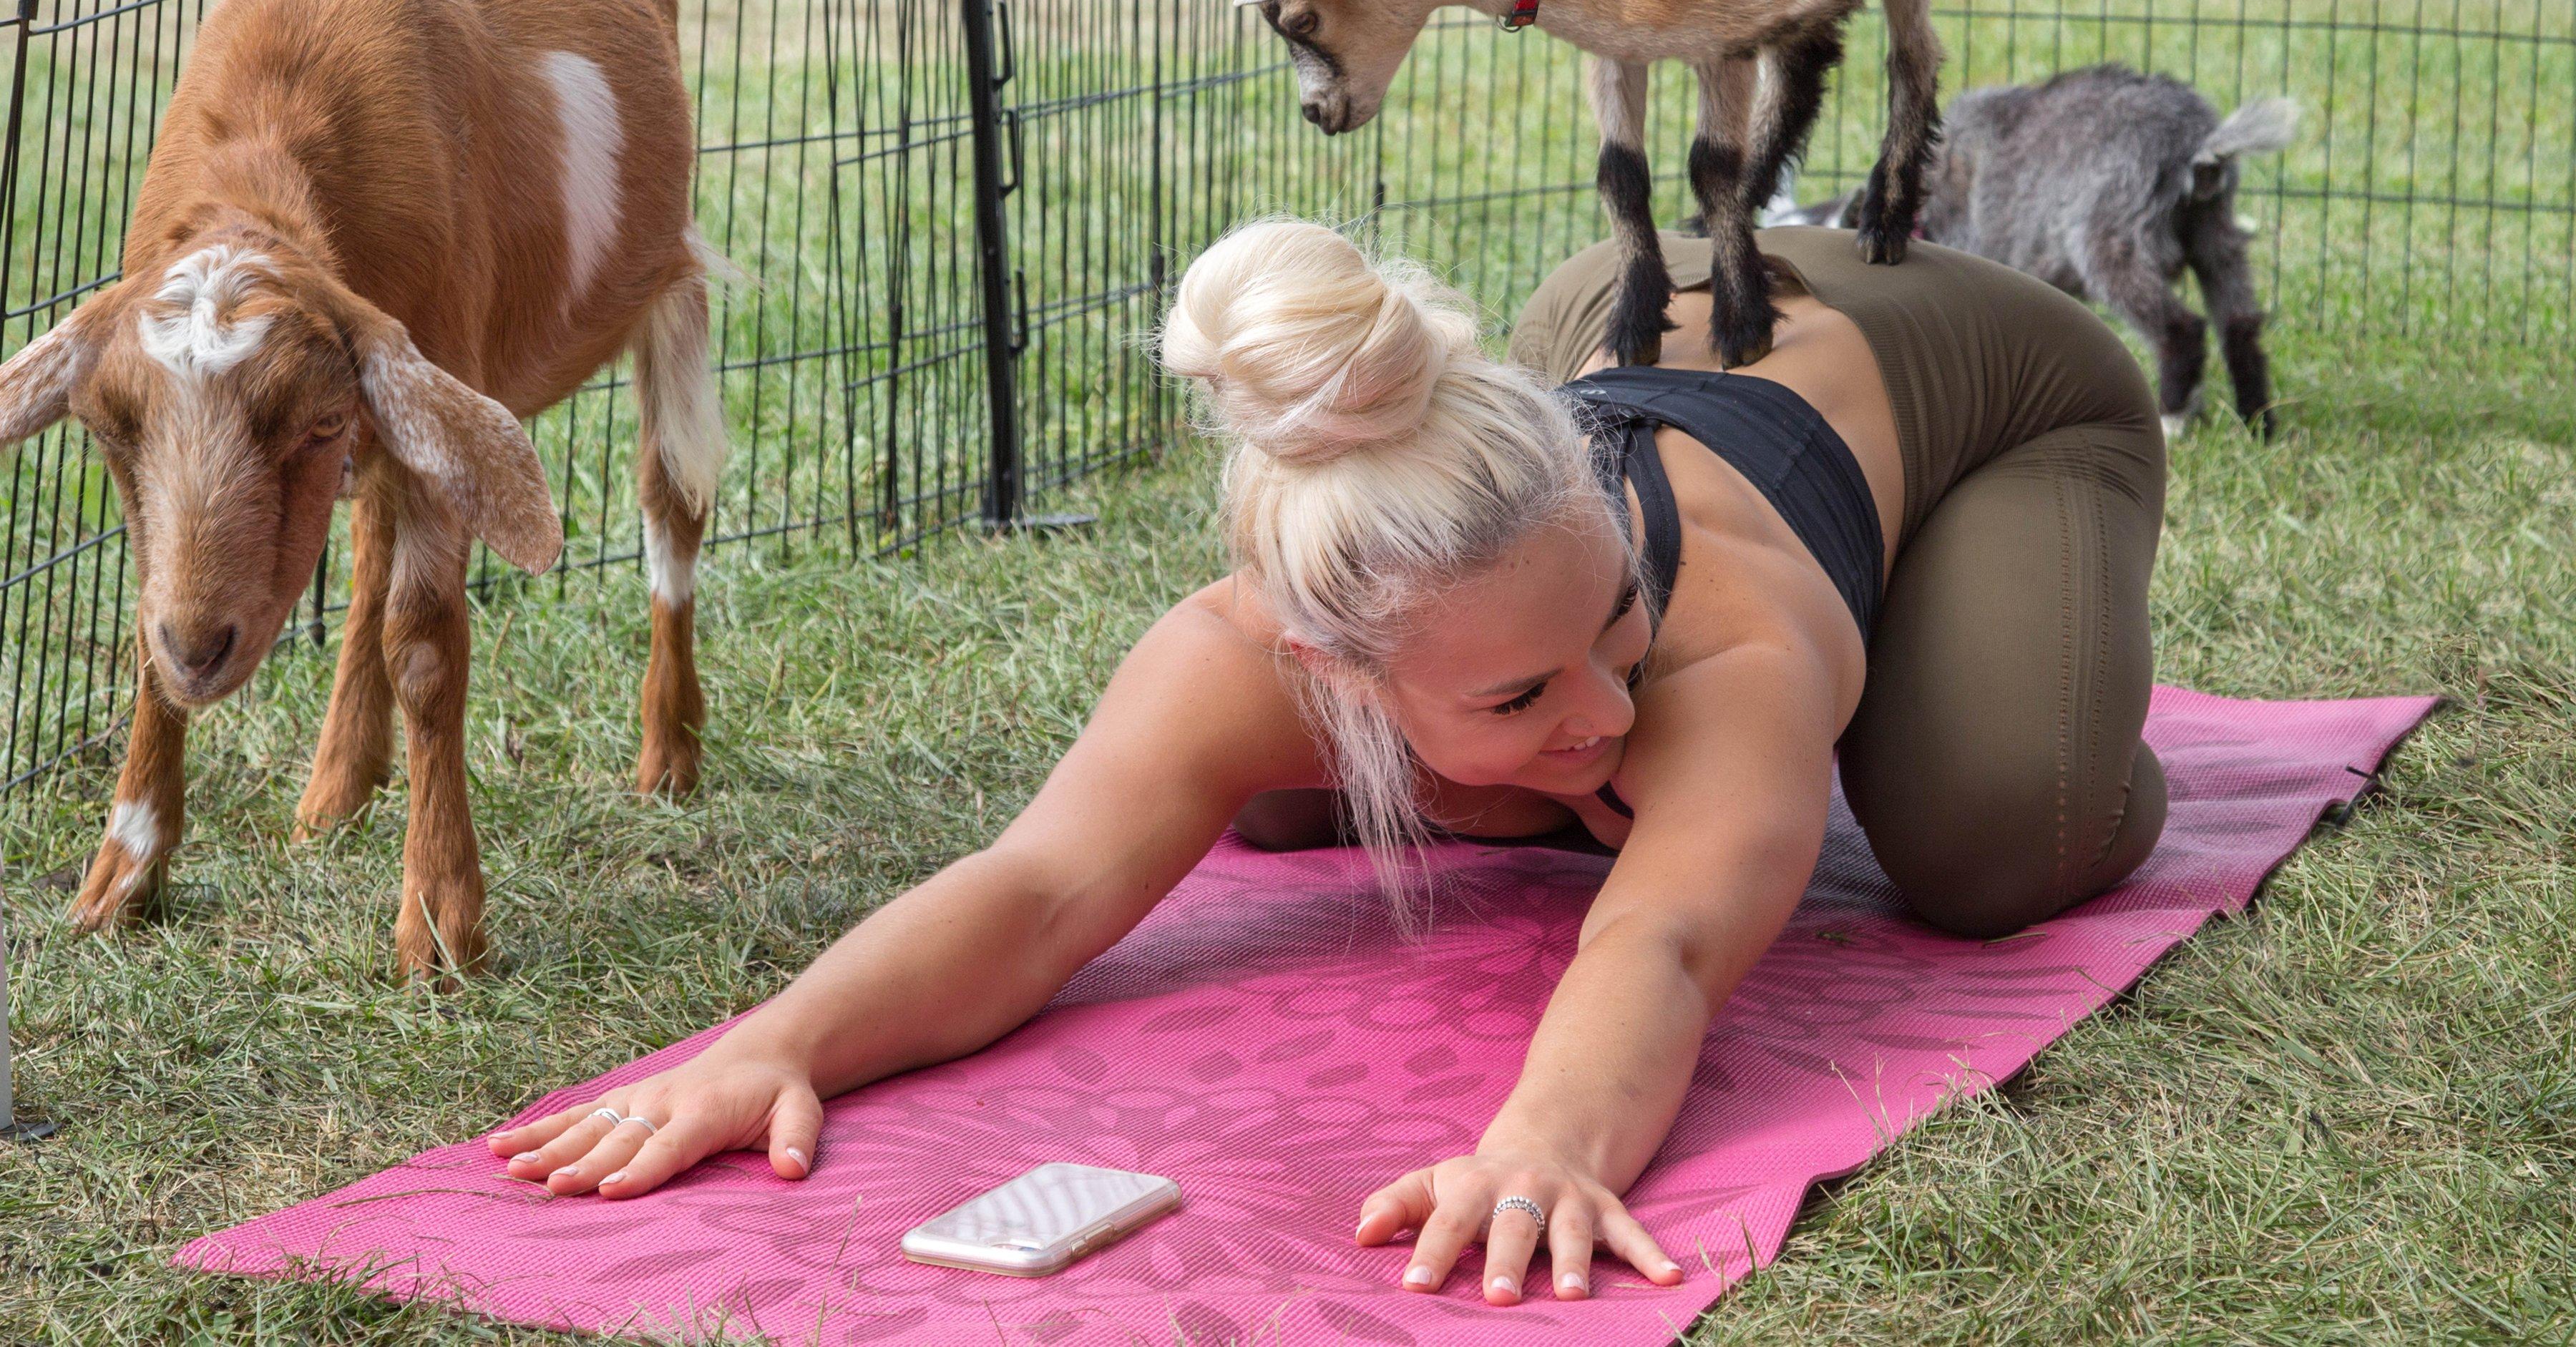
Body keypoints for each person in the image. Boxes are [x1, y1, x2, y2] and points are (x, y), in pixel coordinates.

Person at [484, 218, 2167, 1306]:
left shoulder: (1727, 645)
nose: (1599, 702)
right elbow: (1043, 882)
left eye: (1615, 629)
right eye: (1525, 690)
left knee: (1992, 831)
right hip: (1626, 287)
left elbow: (1653, 940)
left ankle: (1960, 622)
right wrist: (772, 1046)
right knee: (1289, 801)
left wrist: (1548, 1145)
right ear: (1324, 663)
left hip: (1968, 364)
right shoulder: (1251, 649)